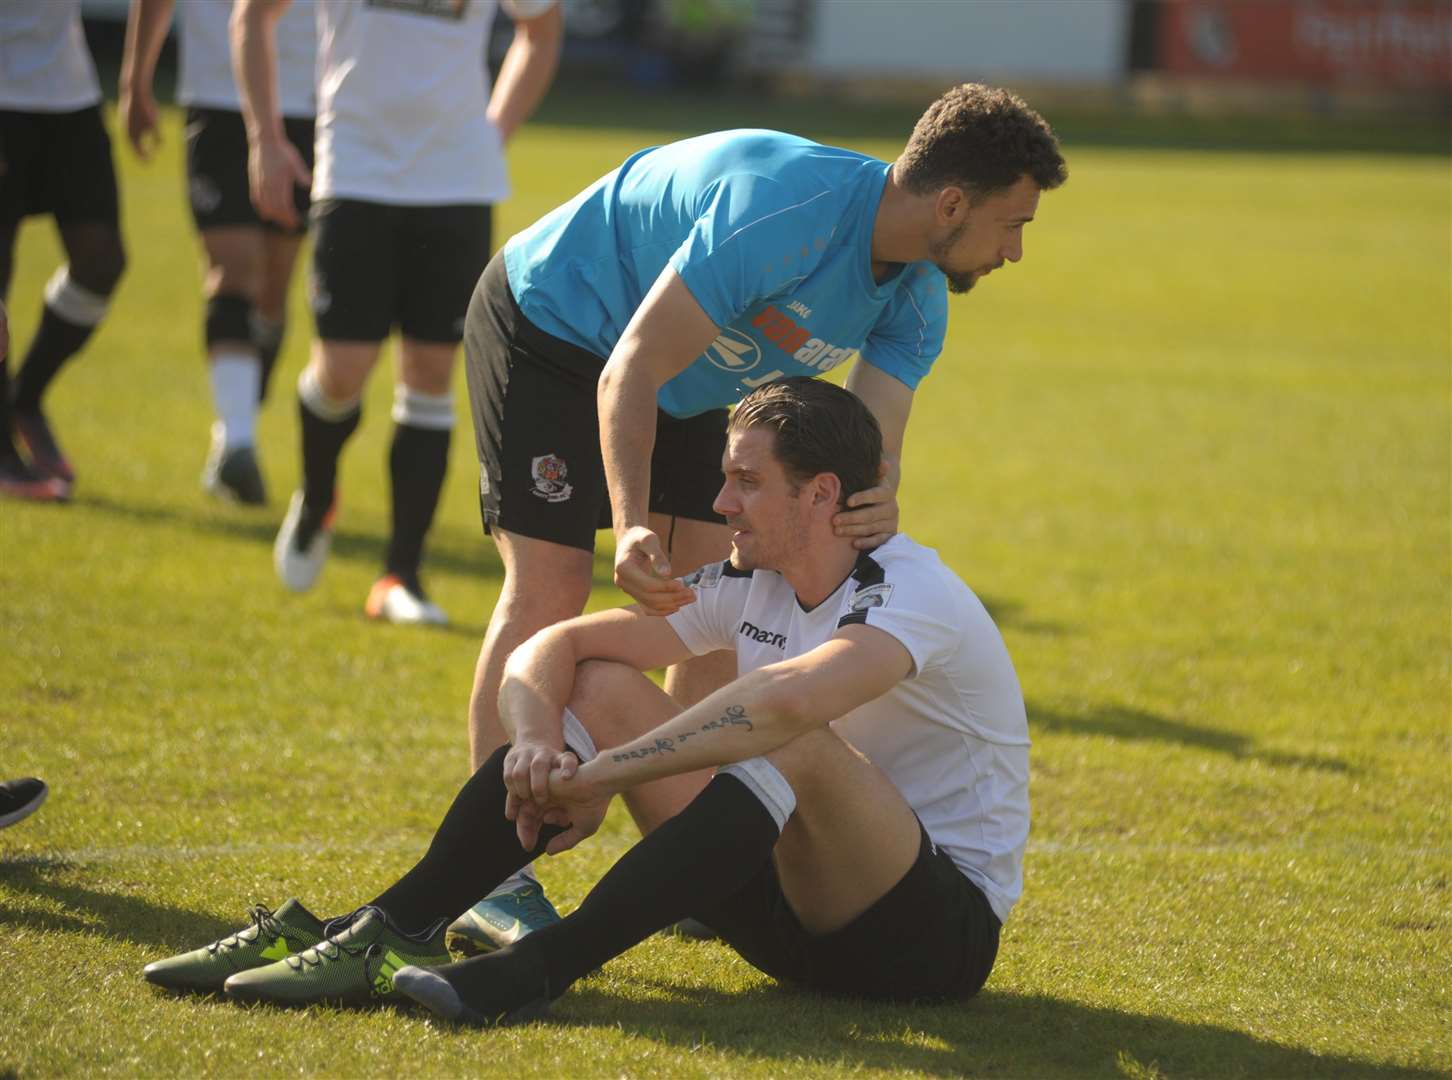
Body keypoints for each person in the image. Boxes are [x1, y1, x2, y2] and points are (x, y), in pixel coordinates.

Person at [142, 378, 1029, 1021]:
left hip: (928, 940)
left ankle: (537, 970)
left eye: (747, 483)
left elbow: (781, 708)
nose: (721, 503)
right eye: (726, 478)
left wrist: (604, 773)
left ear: (823, 493)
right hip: (793, 926)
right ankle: (386, 924)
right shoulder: (751, 580)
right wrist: (534, 743)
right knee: (602, 683)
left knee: (789, 737)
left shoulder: (912, 594)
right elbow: (554, 647)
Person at [452, 82, 1064, 951]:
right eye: (1013, 224)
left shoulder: (919, 297)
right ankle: (493, 879)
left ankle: (694, 869)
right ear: (952, 203)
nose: (1014, 251)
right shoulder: (782, 211)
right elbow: (632, 367)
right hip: (562, 325)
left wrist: (872, 504)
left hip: (704, 378)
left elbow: (859, 461)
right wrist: (628, 523)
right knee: (551, 587)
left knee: (720, 605)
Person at [233, 0, 562, 623]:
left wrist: (493, 131)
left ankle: (400, 575)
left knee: (432, 376)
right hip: (354, 174)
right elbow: (252, 15)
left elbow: (540, 30)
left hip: (457, 187)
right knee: (342, 372)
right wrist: (266, 140)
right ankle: (317, 493)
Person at [119, 0, 317, 505]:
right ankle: (238, 444)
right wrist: (135, 79)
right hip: (217, 92)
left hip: (311, 98)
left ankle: (236, 423)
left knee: (273, 294)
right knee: (233, 273)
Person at [0, 0, 127, 502]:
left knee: (102, 261)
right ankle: (2, 455)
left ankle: (24, 398)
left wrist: (137, 76)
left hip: (69, 90)